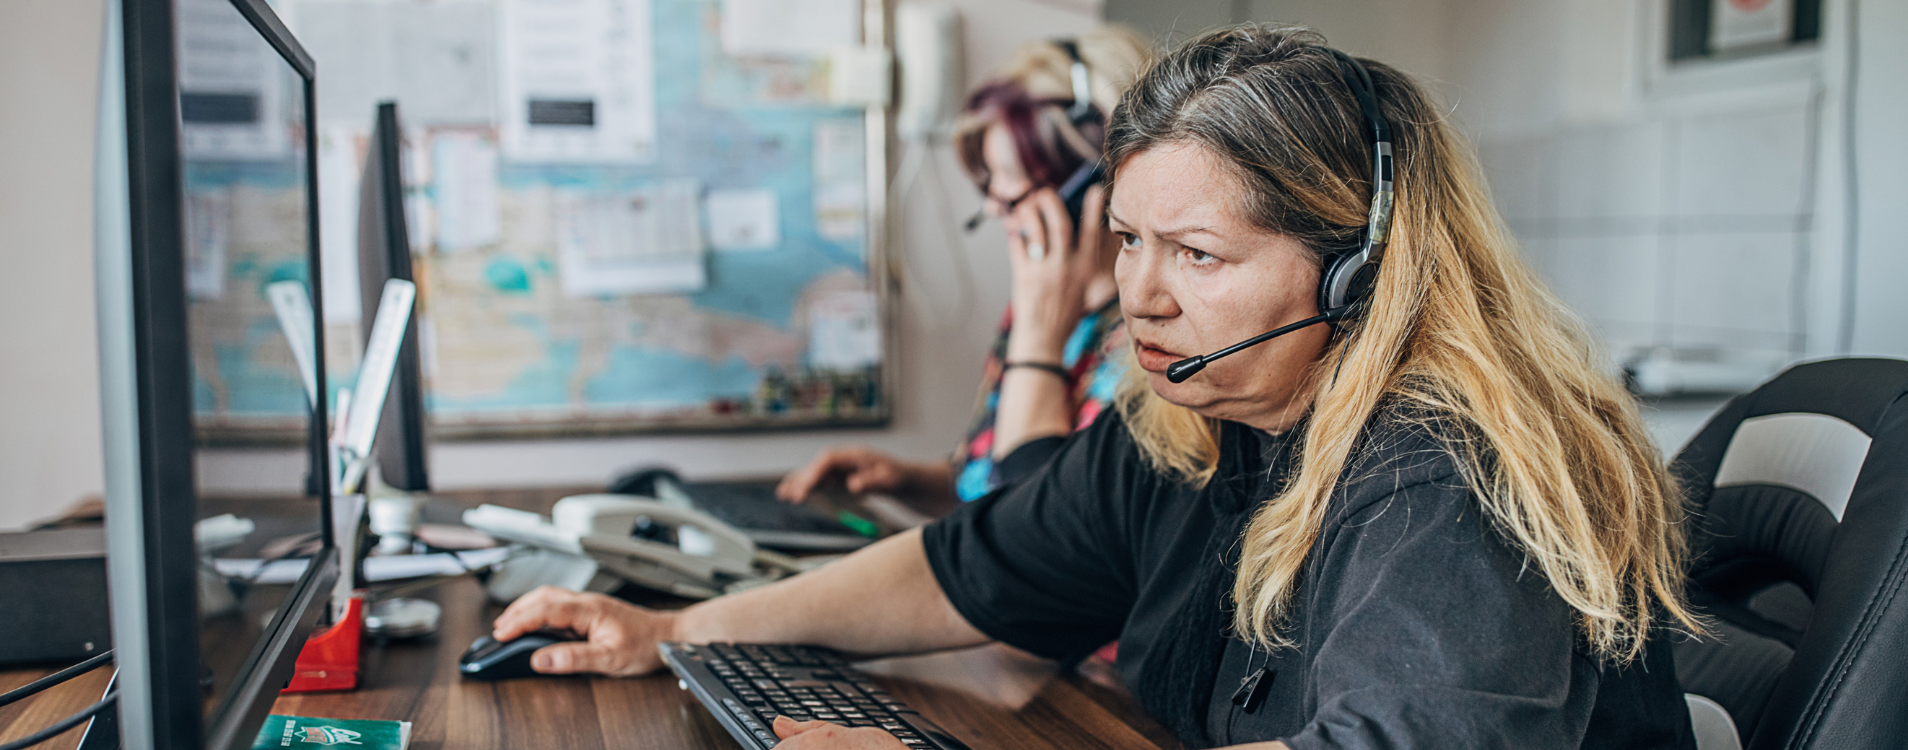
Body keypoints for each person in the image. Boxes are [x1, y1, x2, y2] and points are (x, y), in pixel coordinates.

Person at [494, 24, 1705, 750]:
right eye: (1128, 240)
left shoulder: (1451, 470)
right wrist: (672, 629)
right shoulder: (1195, 421)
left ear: (1358, 273)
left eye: (1198, 255)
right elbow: (962, 567)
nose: (1141, 294)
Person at [777, 28, 1154, 516]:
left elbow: (1030, 528)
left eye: (1012, 192)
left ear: (1091, 185)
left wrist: (1038, 344)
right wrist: (905, 480)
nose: (997, 211)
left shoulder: (1146, 343)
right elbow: (987, 479)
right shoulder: (1035, 310)